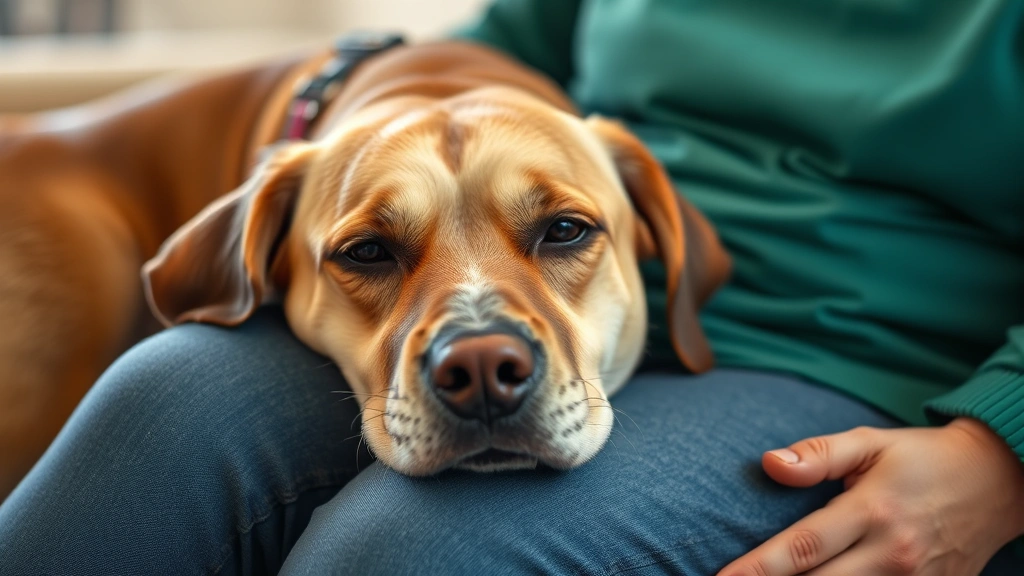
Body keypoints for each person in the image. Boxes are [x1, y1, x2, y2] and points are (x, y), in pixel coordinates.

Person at [2, 0, 1022, 574]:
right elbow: (509, 47)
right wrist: (352, 150)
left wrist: (999, 445)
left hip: (854, 354)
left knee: (400, 557)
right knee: (163, 401)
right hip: (587, 240)